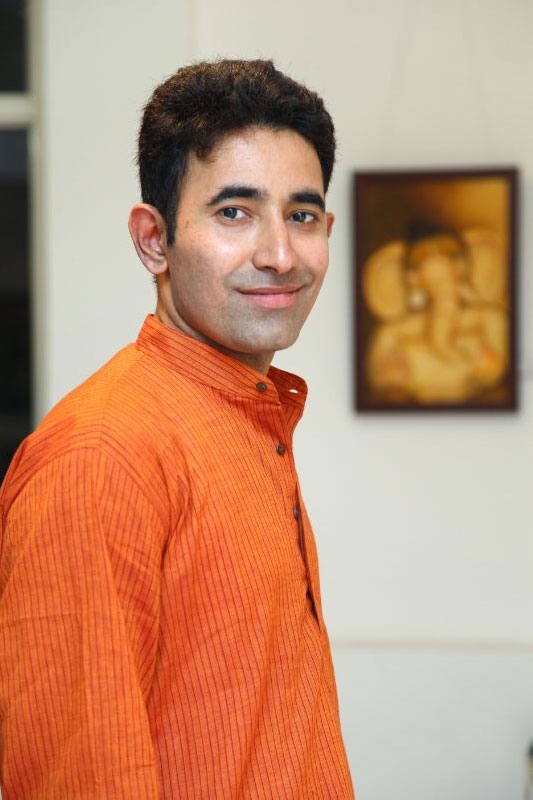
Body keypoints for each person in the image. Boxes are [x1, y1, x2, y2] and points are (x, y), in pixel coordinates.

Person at [0, 59, 354, 798]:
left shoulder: (254, 417)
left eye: (301, 215)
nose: (279, 255)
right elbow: (80, 779)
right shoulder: (103, 452)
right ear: (153, 239)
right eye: (234, 212)